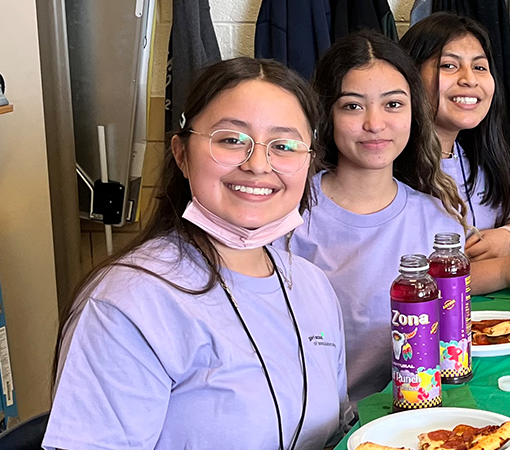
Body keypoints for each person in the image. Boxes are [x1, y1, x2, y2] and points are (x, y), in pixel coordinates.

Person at [44, 57, 347, 450]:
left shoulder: (310, 285)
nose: (257, 165)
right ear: (182, 154)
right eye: (231, 140)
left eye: (284, 146)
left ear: (308, 163)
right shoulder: (130, 304)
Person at [290, 31, 510, 402]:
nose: (375, 123)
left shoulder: (437, 216)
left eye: (393, 105)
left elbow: (449, 338)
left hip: (410, 413)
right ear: (325, 113)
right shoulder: (291, 212)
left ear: (415, 110)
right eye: (353, 106)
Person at [400, 13, 510, 292]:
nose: (469, 80)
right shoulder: (384, 168)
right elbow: (399, 280)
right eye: (449, 65)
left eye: (480, 67)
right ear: (410, 77)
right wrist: (502, 271)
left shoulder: (478, 157)